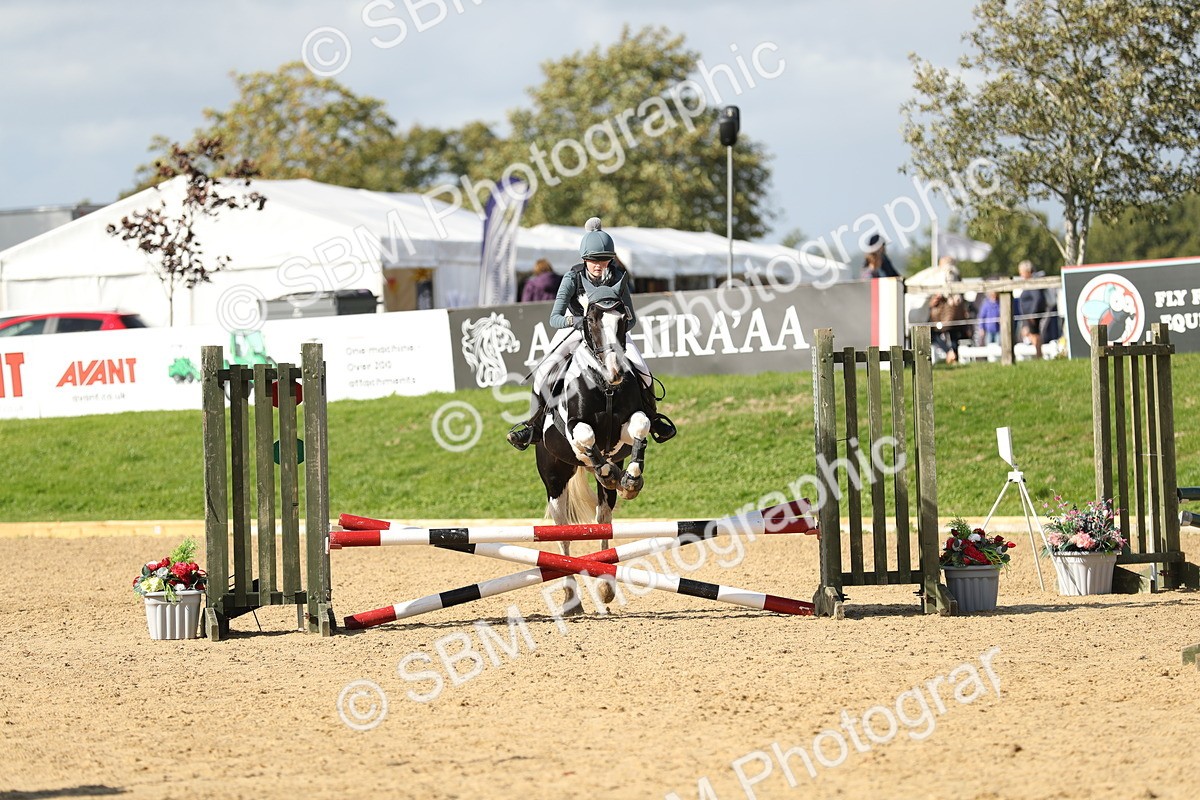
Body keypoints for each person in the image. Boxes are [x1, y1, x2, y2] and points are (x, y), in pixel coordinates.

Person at [506, 217, 676, 450]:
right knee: (545, 370)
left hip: (610, 333)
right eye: (594, 260)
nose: (599, 265)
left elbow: (632, 318)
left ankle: (654, 419)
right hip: (575, 329)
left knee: (643, 369)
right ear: (584, 259)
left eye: (605, 260)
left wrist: (614, 331)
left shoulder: (618, 277)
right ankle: (533, 427)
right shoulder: (572, 278)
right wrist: (580, 322)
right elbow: (554, 318)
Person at [1017, 260, 1048, 358]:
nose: (1020, 274)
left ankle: (1038, 355)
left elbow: (1037, 298)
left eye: (1022, 271)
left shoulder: (1033, 283)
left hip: (1032, 316)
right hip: (1029, 315)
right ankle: (1038, 355)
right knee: (1033, 334)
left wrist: (1032, 314)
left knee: (1034, 335)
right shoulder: (1028, 283)